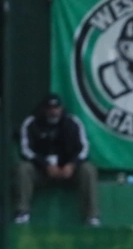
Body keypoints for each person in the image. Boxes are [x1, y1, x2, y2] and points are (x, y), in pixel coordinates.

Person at [13, 94, 99, 226]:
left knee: (88, 169)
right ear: (44, 109)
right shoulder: (32, 123)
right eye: (50, 108)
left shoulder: (72, 122)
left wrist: (72, 165)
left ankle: (92, 217)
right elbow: (25, 150)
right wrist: (45, 165)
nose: (53, 111)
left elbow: (84, 148)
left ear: (61, 108)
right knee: (23, 169)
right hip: (42, 172)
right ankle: (22, 213)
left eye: (56, 108)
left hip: (68, 172)